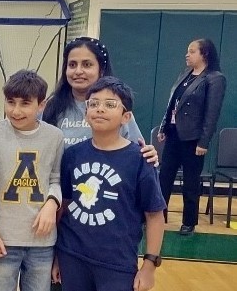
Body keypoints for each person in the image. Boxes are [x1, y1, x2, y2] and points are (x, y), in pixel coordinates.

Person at [53, 76, 165, 291]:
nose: (100, 109)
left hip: (117, 263)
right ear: (86, 114)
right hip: (72, 256)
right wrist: (57, 256)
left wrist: (149, 265)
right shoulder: (73, 155)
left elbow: (154, 215)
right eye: (93, 104)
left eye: (110, 104)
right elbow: (64, 205)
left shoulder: (140, 160)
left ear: (126, 117)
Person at [0, 70, 63, 291]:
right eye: (11, 102)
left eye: (25, 103)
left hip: (42, 243)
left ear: (41, 105)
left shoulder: (55, 137)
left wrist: (51, 203)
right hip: (2, 239)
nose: (16, 111)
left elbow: (55, 178)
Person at [157, 38, 226, 235]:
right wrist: (164, 127)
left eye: (192, 51)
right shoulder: (185, 74)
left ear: (204, 54)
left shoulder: (214, 78)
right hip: (174, 135)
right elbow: (173, 104)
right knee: (164, 178)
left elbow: (212, 113)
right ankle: (158, 217)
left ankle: (189, 222)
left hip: (193, 139)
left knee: (190, 182)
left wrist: (204, 141)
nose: (187, 55)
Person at [42, 37, 146, 149]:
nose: (78, 71)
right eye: (72, 65)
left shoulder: (118, 108)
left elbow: (138, 151)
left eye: (87, 65)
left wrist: (149, 154)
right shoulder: (50, 107)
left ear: (101, 70)